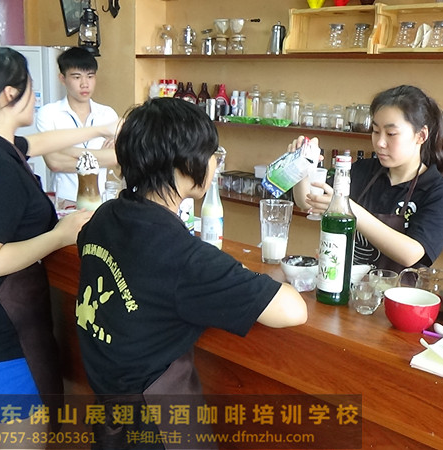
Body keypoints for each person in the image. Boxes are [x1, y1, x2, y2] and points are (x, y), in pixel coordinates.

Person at [75, 97, 307, 449]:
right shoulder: (184, 258)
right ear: (185, 164)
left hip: (108, 415)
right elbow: (292, 310)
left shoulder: (107, 216)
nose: (214, 162)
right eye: (212, 154)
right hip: (156, 429)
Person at [0, 45, 118, 449]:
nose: (35, 97)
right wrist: (60, 235)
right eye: (31, 88)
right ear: (9, 94)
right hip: (3, 334)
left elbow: (38, 143)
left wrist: (99, 129)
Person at [295, 85, 443, 278]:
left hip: (396, 294)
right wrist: (300, 165)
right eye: (375, 131)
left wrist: (347, 208)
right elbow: (307, 201)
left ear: (421, 135)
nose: (379, 142)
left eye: (391, 134)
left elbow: (410, 254)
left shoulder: (438, 192)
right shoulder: (362, 171)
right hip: (347, 286)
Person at [37, 46, 120, 203]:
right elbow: (55, 163)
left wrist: (66, 150)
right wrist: (101, 156)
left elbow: (115, 159)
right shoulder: (48, 113)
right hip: (65, 202)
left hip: (100, 201)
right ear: (62, 79)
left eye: (90, 76)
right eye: (76, 77)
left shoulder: (107, 114)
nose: (84, 84)